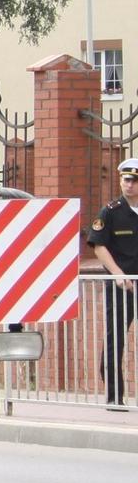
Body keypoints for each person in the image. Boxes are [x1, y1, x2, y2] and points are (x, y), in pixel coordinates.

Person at [86, 156, 138, 410]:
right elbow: (98, 245)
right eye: (126, 180)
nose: (129, 185)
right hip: (122, 286)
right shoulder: (111, 211)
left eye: (135, 181)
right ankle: (115, 397)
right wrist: (118, 273)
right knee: (115, 337)